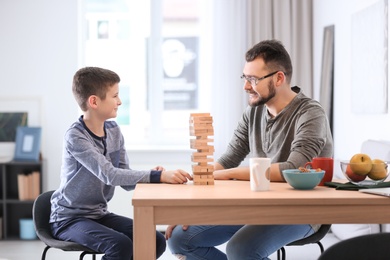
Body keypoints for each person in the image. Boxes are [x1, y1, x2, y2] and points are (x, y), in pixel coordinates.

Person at [165, 39, 333, 260]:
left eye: (253, 79)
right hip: (259, 204)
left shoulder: (310, 113)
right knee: (179, 238)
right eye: (245, 78)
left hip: (301, 210)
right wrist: (192, 203)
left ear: (279, 78)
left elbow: (294, 169)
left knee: (240, 249)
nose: (246, 86)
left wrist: (227, 174)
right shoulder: (253, 113)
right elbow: (228, 159)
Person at [49, 67, 192, 260]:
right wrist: (157, 176)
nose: (120, 101)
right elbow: (110, 174)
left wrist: (154, 176)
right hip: (69, 219)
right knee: (120, 246)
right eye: (115, 96)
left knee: (155, 240)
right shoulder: (76, 136)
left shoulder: (114, 131)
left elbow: (124, 178)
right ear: (94, 101)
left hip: (98, 214)